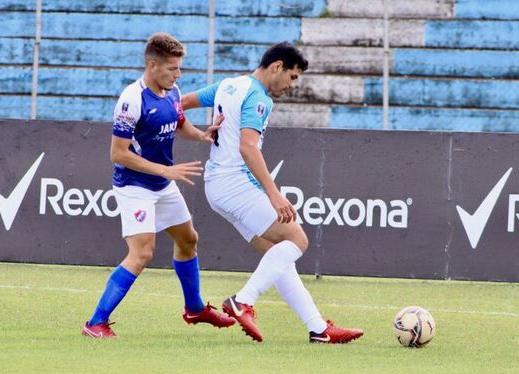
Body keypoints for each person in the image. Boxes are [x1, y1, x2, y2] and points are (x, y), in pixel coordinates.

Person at [182, 42, 364, 343]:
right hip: (236, 184)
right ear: (277, 67)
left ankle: (318, 329)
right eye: (293, 77)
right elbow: (248, 146)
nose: (292, 86)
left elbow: (179, 105)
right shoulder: (258, 97)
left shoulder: (229, 84)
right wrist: (274, 194)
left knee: (277, 256)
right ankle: (243, 301)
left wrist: (200, 133)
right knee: (297, 239)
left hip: (216, 186)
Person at [82, 32, 235, 338]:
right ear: (152, 65)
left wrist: (204, 135)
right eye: (171, 69)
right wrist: (165, 171)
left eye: (179, 69)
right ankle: (95, 323)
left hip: (162, 182)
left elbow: (179, 124)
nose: (177, 75)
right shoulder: (131, 100)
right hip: (134, 185)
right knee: (142, 253)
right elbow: (118, 154)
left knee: (188, 240)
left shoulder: (173, 92)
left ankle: (194, 309)